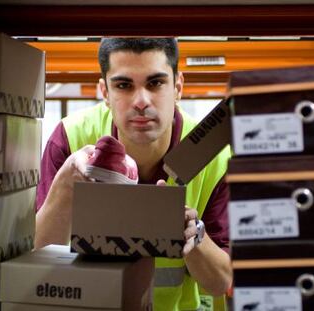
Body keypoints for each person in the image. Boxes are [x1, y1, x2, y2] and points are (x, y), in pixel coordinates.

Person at [35, 37, 232, 311]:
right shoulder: (70, 139)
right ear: (104, 91)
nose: (141, 101)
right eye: (124, 85)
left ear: (178, 87)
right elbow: (36, 259)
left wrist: (194, 236)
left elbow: (221, 282)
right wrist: (67, 185)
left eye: (155, 83)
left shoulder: (213, 156)